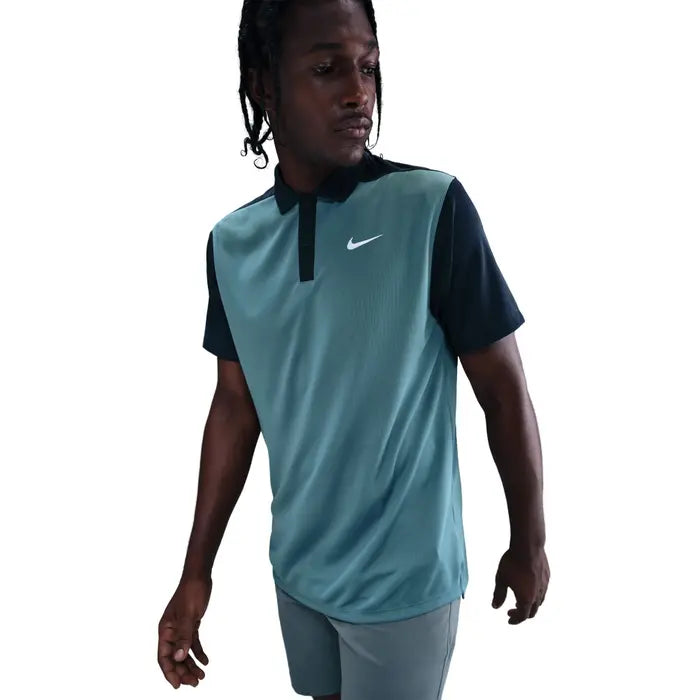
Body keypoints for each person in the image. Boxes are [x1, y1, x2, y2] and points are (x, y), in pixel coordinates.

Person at [157, 0, 550, 697]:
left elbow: (503, 388)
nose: (357, 93)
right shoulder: (233, 244)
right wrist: (196, 573)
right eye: (326, 69)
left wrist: (530, 540)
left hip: (403, 584)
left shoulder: (431, 208)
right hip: (298, 571)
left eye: (367, 67)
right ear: (264, 84)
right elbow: (235, 408)